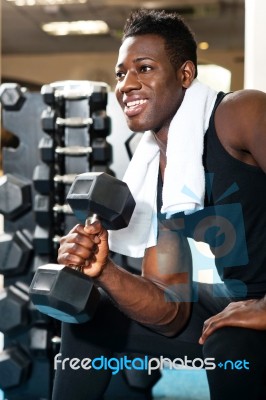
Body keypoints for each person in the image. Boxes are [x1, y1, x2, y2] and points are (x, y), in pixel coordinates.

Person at [52, 9, 266, 400]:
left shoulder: (241, 113)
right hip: (241, 299)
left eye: (144, 68)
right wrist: (104, 272)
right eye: (121, 74)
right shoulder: (158, 170)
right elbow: (171, 314)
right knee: (89, 314)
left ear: (185, 75)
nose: (126, 85)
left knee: (231, 345)